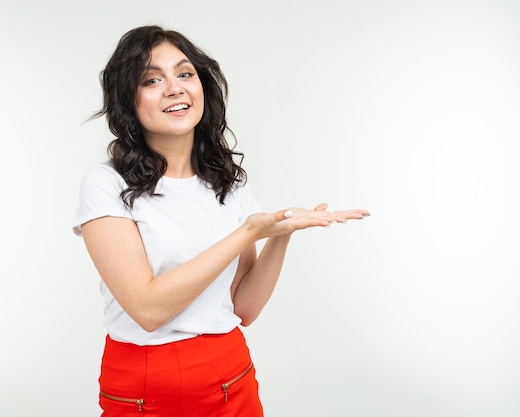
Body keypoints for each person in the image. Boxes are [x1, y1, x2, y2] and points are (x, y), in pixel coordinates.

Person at [73, 25, 369, 417]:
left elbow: (243, 307)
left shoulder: (227, 181)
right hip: (143, 387)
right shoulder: (106, 183)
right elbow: (146, 309)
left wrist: (281, 235)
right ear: (129, 100)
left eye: (184, 74)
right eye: (152, 79)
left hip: (231, 377)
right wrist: (248, 231)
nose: (175, 88)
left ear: (202, 88)